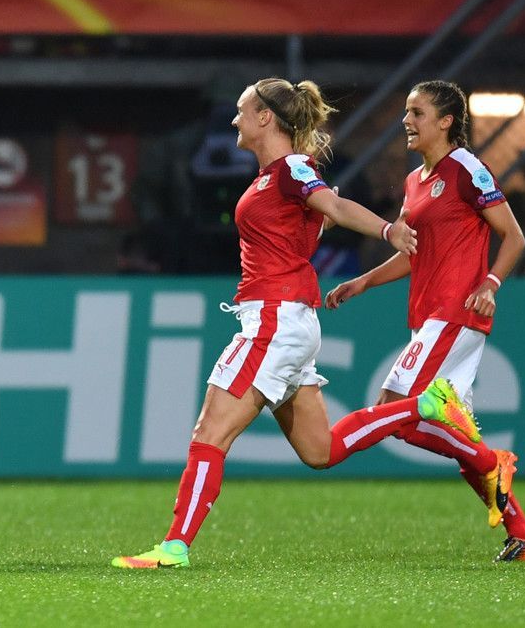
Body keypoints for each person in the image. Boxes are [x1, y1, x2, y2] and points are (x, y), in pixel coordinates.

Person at [111, 77, 481, 569]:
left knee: (209, 434)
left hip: (273, 321)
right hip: (289, 320)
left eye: (242, 110)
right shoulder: (275, 177)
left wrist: (387, 230)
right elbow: (309, 225)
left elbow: (335, 206)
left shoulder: (291, 168)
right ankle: (424, 405)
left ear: (266, 117)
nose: (234, 120)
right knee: (320, 451)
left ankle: (174, 547)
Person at [325, 80, 525, 562]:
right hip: (428, 316)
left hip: (456, 312)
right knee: (454, 436)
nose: (406, 120)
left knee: (392, 406)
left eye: (417, 112)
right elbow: (414, 253)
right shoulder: (414, 181)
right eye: (407, 111)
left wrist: (490, 284)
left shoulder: (467, 168)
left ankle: (492, 461)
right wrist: (363, 282)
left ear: (446, 121)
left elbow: (513, 235)